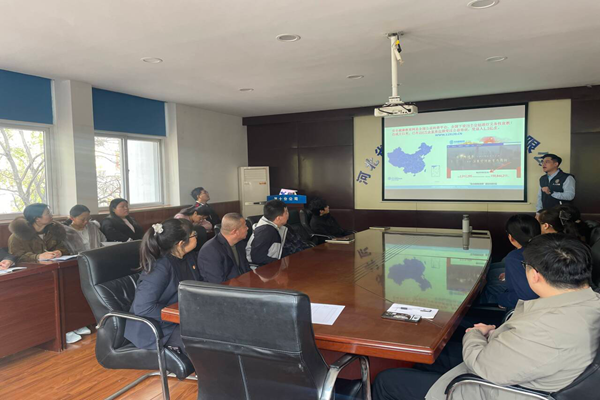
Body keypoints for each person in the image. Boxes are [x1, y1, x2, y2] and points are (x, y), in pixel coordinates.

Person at [373, 234, 600, 400]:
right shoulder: (589, 302)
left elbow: (483, 365)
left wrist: (475, 334)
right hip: (521, 366)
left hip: (495, 388)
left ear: (535, 275)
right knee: (434, 356)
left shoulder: (544, 329)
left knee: (388, 380)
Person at [124, 218, 201, 353]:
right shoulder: (160, 268)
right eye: (194, 234)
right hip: (159, 329)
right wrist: (182, 315)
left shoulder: (189, 257)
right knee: (208, 344)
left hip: (182, 319)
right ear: (181, 243)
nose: (197, 236)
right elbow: (144, 308)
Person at [479, 214, 540, 309]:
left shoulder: (515, 257)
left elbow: (527, 296)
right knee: (491, 273)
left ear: (511, 237)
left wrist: (502, 299)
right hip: (545, 301)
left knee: (486, 290)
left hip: (521, 307)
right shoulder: (545, 248)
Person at [198, 213, 251, 283]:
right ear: (235, 231)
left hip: (242, 284)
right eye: (245, 226)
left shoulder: (239, 243)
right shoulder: (210, 251)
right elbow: (217, 282)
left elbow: (246, 269)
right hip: (226, 288)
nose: (247, 228)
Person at [246, 200, 290, 266]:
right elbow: (257, 258)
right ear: (278, 218)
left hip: (272, 266)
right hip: (262, 269)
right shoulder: (266, 231)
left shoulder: (274, 226)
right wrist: (280, 263)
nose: (288, 215)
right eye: (286, 213)